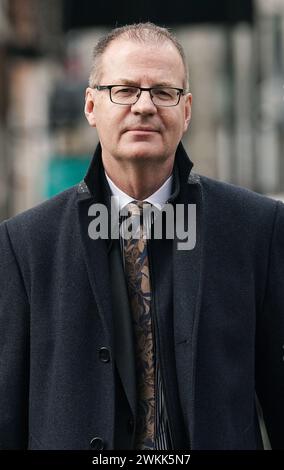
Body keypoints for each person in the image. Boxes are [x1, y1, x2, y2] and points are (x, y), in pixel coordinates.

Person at [0, 22, 284, 451]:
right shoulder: (24, 246)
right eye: (125, 90)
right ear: (91, 106)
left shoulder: (258, 229)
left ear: (186, 111)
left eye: (163, 92)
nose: (144, 106)